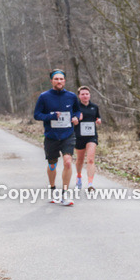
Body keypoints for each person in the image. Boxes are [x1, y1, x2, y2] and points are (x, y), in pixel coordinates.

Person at [32, 70, 82, 206]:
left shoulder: (71, 96)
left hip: (68, 134)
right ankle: (52, 189)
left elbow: (77, 111)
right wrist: (51, 116)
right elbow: (37, 115)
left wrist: (76, 117)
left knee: (67, 162)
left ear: (64, 81)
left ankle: (65, 194)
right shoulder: (44, 97)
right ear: (51, 81)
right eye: (56, 79)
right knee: (52, 164)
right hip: (51, 136)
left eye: (61, 79)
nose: (59, 81)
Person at [73, 86, 101, 191]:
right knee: (80, 159)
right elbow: (71, 121)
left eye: (87, 94)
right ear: (79, 96)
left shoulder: (94, 107)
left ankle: (90, 184)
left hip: (91, 136)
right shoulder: (75, 107)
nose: (85, 96)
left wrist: (99, 120)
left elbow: (98, 117)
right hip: (79, 136)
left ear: (89, 95)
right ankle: (79, 177)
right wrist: (76, 119)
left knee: (90, 159)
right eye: (83, 94)